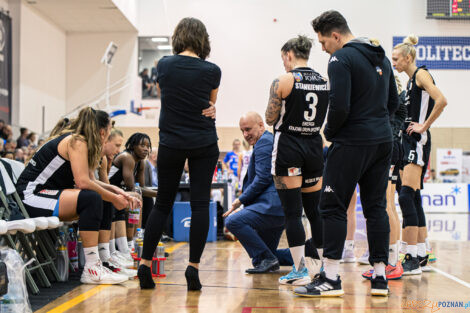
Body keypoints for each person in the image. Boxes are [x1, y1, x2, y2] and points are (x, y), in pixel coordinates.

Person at [298, 10, 399, 297]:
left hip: (352, 142)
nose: (322, 48)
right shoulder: (381, 57)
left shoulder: (340, 58)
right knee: (376, 207)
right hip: (383, 141)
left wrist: (329, 133)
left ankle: (330, 277)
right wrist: (377, 125)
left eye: (323, 42)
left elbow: (339, 106)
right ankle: (380, 278)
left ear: (335, 35)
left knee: (331, 205)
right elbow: (392, 103)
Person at [138, 17, 221, 291]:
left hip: (171, 140)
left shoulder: (163, 65)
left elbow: (166, 96)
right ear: (203, 40)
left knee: (162, 204)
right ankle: (193, 268)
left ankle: (145, 264)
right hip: (203, 140)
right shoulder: (213, 70)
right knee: (199, 204)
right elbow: (210, 103)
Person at [16, 107, 140, 285]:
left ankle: (103, 260)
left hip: (46, 194)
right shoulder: (77, 141)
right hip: (30, 196)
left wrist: (119, 192)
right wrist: (114, 197)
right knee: (92, 198)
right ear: (103, 132)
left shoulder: (83, 142)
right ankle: (91, 267)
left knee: (101, 197)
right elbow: (83, 183)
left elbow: (92, 181)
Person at [265, 35, 328, 286]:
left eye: (283, 58)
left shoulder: (283, 81)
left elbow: (270, 118)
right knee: (315, 211)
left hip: (289, 146)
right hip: (314, 144)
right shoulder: (324, 81)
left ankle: (300, 270)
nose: (283, 63)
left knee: (293, 212)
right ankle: (324, 269)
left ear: (289, 54)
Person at [392, 35, 447, 275]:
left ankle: (411, 257)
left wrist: (423, 126)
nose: (393, 62)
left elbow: (442, 100)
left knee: (406, 197)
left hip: (418, 140)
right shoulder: (409, 84)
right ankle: (422, 252)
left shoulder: (421, 75)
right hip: (407, 140)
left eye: (396, 59)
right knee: (412, 197)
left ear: (408, 57)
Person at [223, 112, 284, 274]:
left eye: (248, 129)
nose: (245, 134)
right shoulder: (267, 141)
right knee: (264, 256)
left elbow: (263, 178)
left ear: (261, 125)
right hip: (277, 209)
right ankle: (307, 254)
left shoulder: (264, 142)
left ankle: (270, 259)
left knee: (232, 221)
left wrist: (240, 200)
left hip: (270, 207)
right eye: (242, 131)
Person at [362, 74, 408, 280]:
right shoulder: (392, 101)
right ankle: (391, 260)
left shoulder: (392, 102)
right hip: (389, 149)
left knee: (387, 205)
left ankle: (392, 262)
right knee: (387, 204)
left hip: (388, 150)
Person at [108, 133, 158, 261]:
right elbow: (132, 188)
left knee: (139, 197)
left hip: (122, 192)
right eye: (142, 145)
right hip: (109, 190)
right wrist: (160, 194)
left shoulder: (141, 162)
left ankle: (136, 239)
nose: (146, 149)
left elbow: (140, 187)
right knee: (135, 197)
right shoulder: (127, 158)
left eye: (148, 146)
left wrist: (159, 192)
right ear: (133, 146)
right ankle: (129, 246)